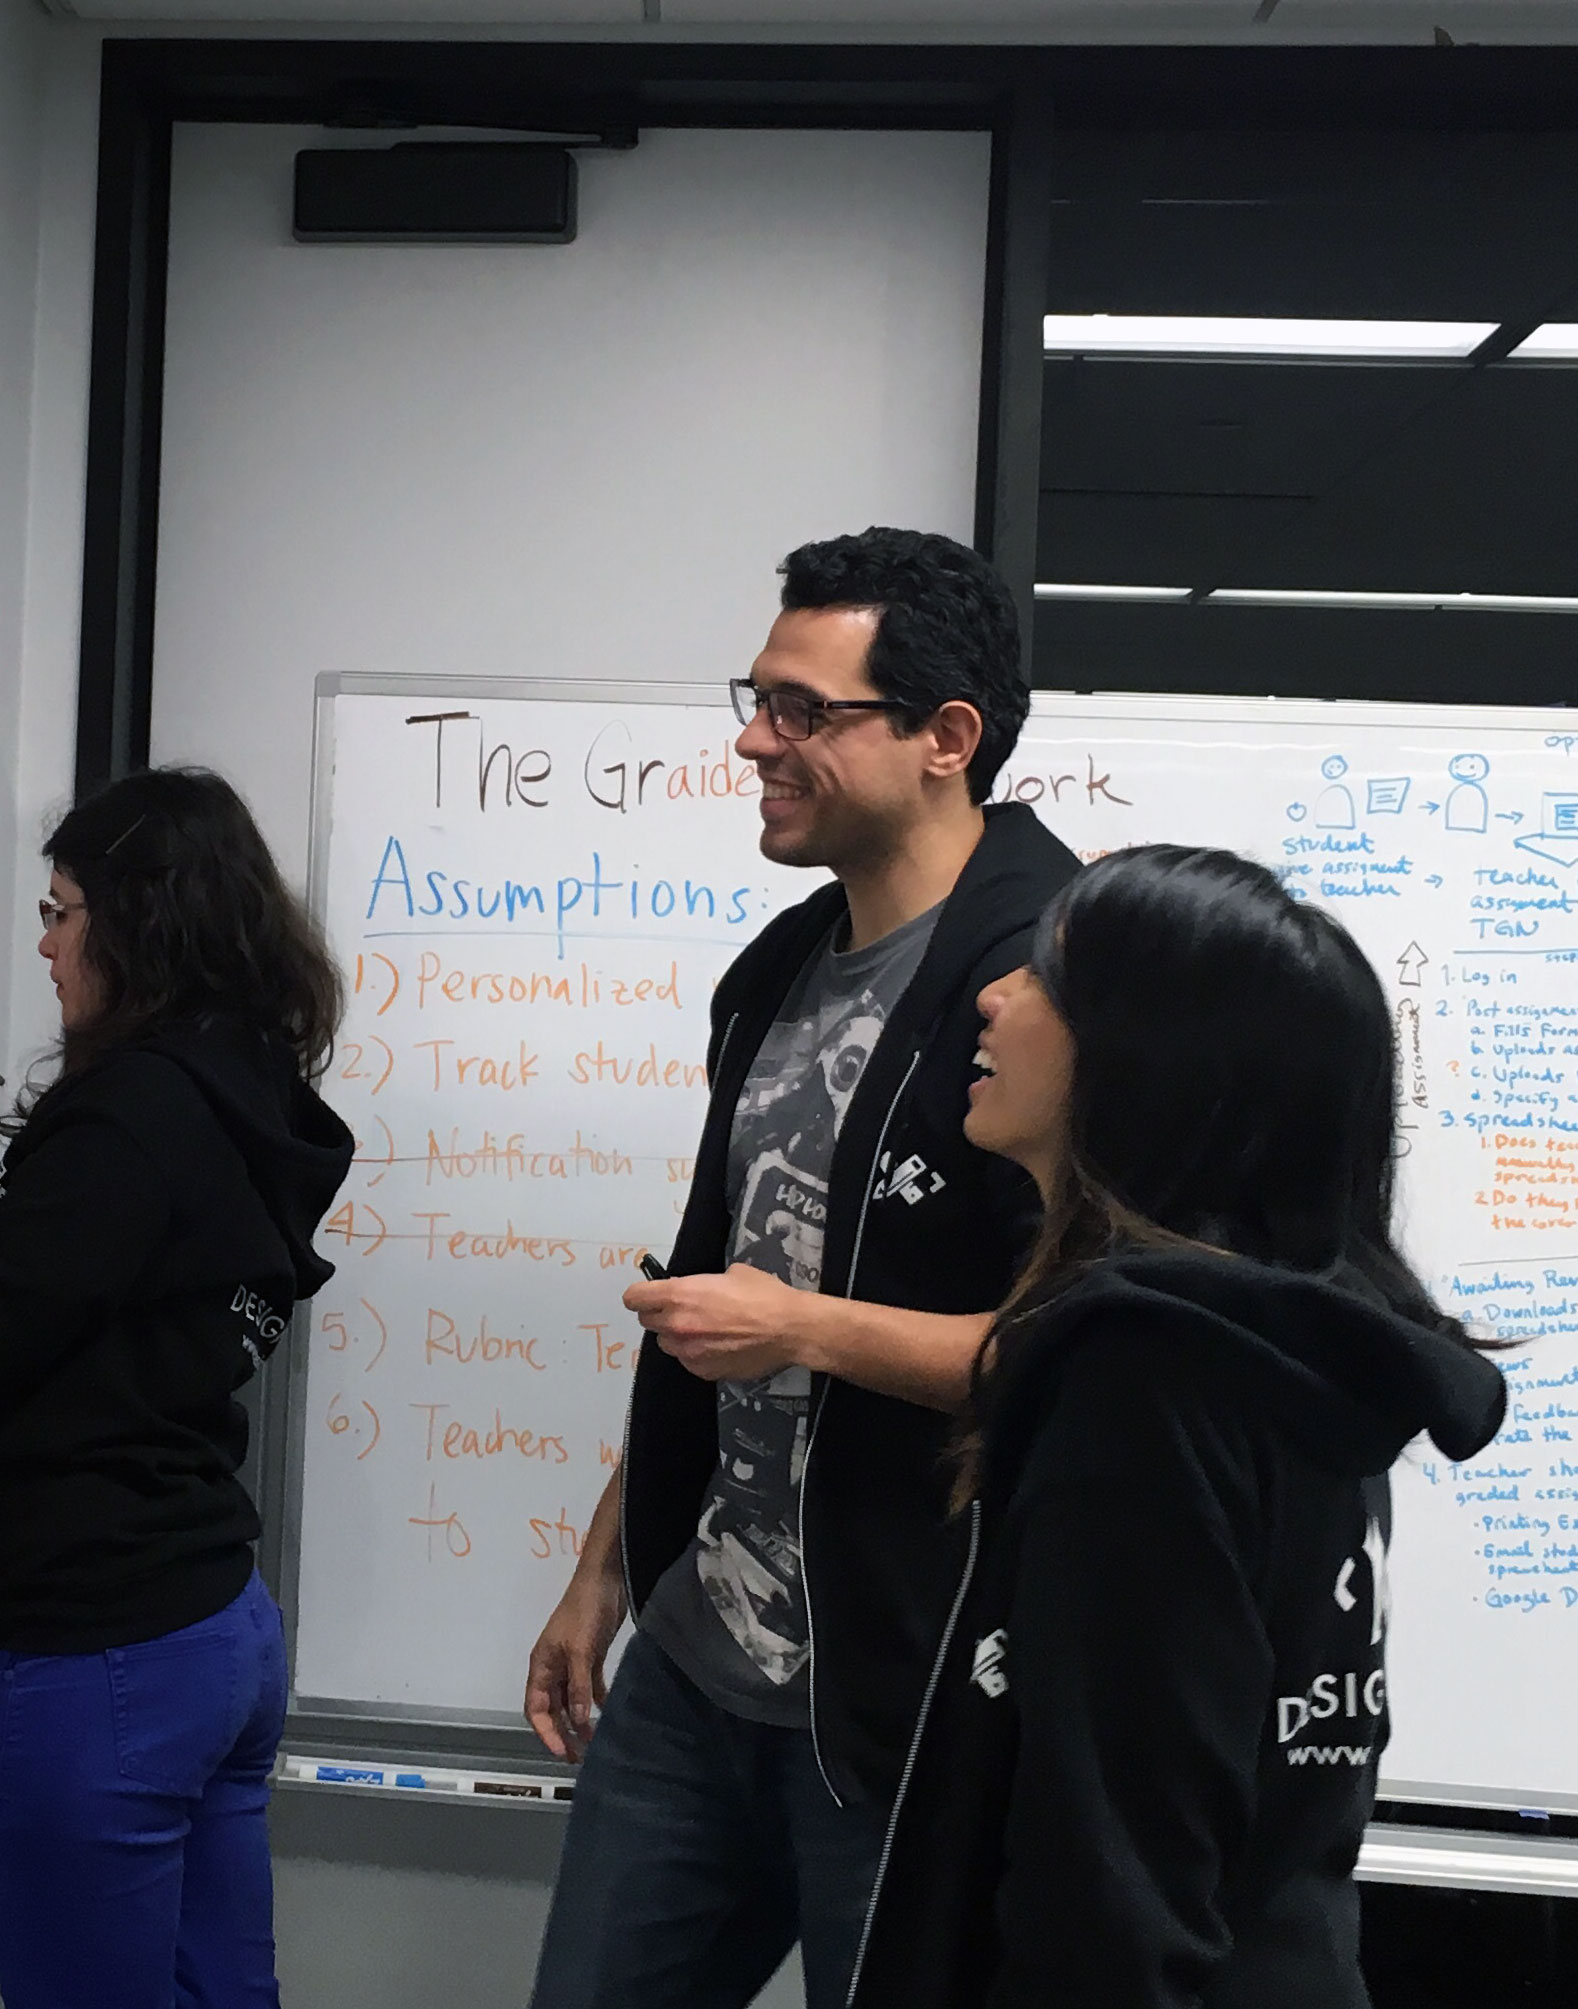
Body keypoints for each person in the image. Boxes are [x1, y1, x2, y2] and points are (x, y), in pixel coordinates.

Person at [525, 528, 1082, 2008]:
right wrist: (604, 1573)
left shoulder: (1054, 989)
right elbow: (714, 1295)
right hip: (697, 1672)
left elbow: (1083, 1355)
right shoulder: (774, 967)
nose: (752, 739)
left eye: (800, 711)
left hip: (910, 1700)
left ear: (943, 738)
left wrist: (811, 1330)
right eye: (755, 696)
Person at [847, 846, 1506, 2008]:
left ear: (1142, 1057)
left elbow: (1112, 1884)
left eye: (1046, 978)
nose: (994, 997)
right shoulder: (1300, 1352)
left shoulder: (1147, 1383)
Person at [0, 766, 354, 2009]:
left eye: (63, 907)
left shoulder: (134, 1112)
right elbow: (54, 1279)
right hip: (207, 1625)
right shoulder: (236, 1084)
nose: (45, 937)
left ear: (138, 923)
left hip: (100, 1658)